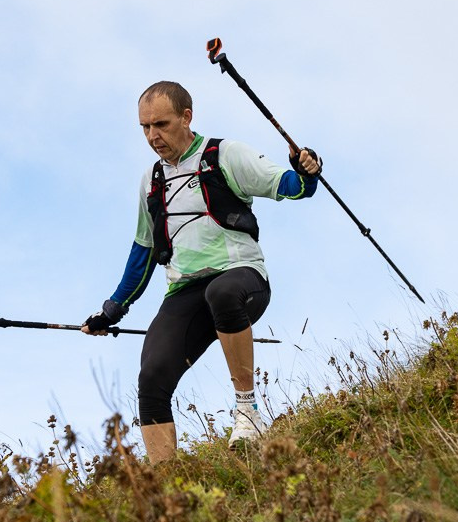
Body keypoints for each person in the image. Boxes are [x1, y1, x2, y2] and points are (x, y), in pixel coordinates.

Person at [82, 81, 322, 463]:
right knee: (151, 378)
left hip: (241, 277)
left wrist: (307, 170)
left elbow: (293, 187)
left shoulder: (225, 155)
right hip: (184, 292)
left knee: (221, 293)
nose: (152, 136)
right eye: (144, 127)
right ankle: (164, 485)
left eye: (160, 124)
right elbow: (143, 251)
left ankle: (248, 413)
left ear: (186, 117)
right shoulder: (151, 181)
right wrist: (111, 309)